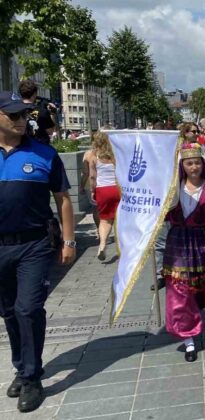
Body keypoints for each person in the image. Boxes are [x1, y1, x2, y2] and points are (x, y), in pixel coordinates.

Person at [0, 91, 75, 412]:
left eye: (24, 115)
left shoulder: (44, 154)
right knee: (8, 311)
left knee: (28, 308)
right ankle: (20, 365)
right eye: (13, 115)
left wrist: (69, 241)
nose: (21, 120)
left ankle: (32, 377)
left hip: (33, 244)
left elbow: (63, 199)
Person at [162, 143, 205, 361]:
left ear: (203, 164)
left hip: (201, 244)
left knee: (199, 287)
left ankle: (194, 312)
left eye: (197, 163)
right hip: (178, 244)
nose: (194, 167)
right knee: (178, 290)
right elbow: (159, 212)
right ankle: (188, 337)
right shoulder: (172, 189)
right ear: (183, 166)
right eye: (189, 163)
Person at [89, 132, 120, 261]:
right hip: (116, 189)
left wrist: (92, 190)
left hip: (102, 190)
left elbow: (92, 176)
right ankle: (122, 248)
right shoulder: (115, 155)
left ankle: (102, 245)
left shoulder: (93, 156)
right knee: (119, 219)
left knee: (105, 220)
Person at [79, 147, 100, 238]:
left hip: (91, 184)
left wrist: (81, 186)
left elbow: (86, 172)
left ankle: (99, 229)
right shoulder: (108, 152)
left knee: (96, 208)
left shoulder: (88, 154)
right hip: (105, 183)